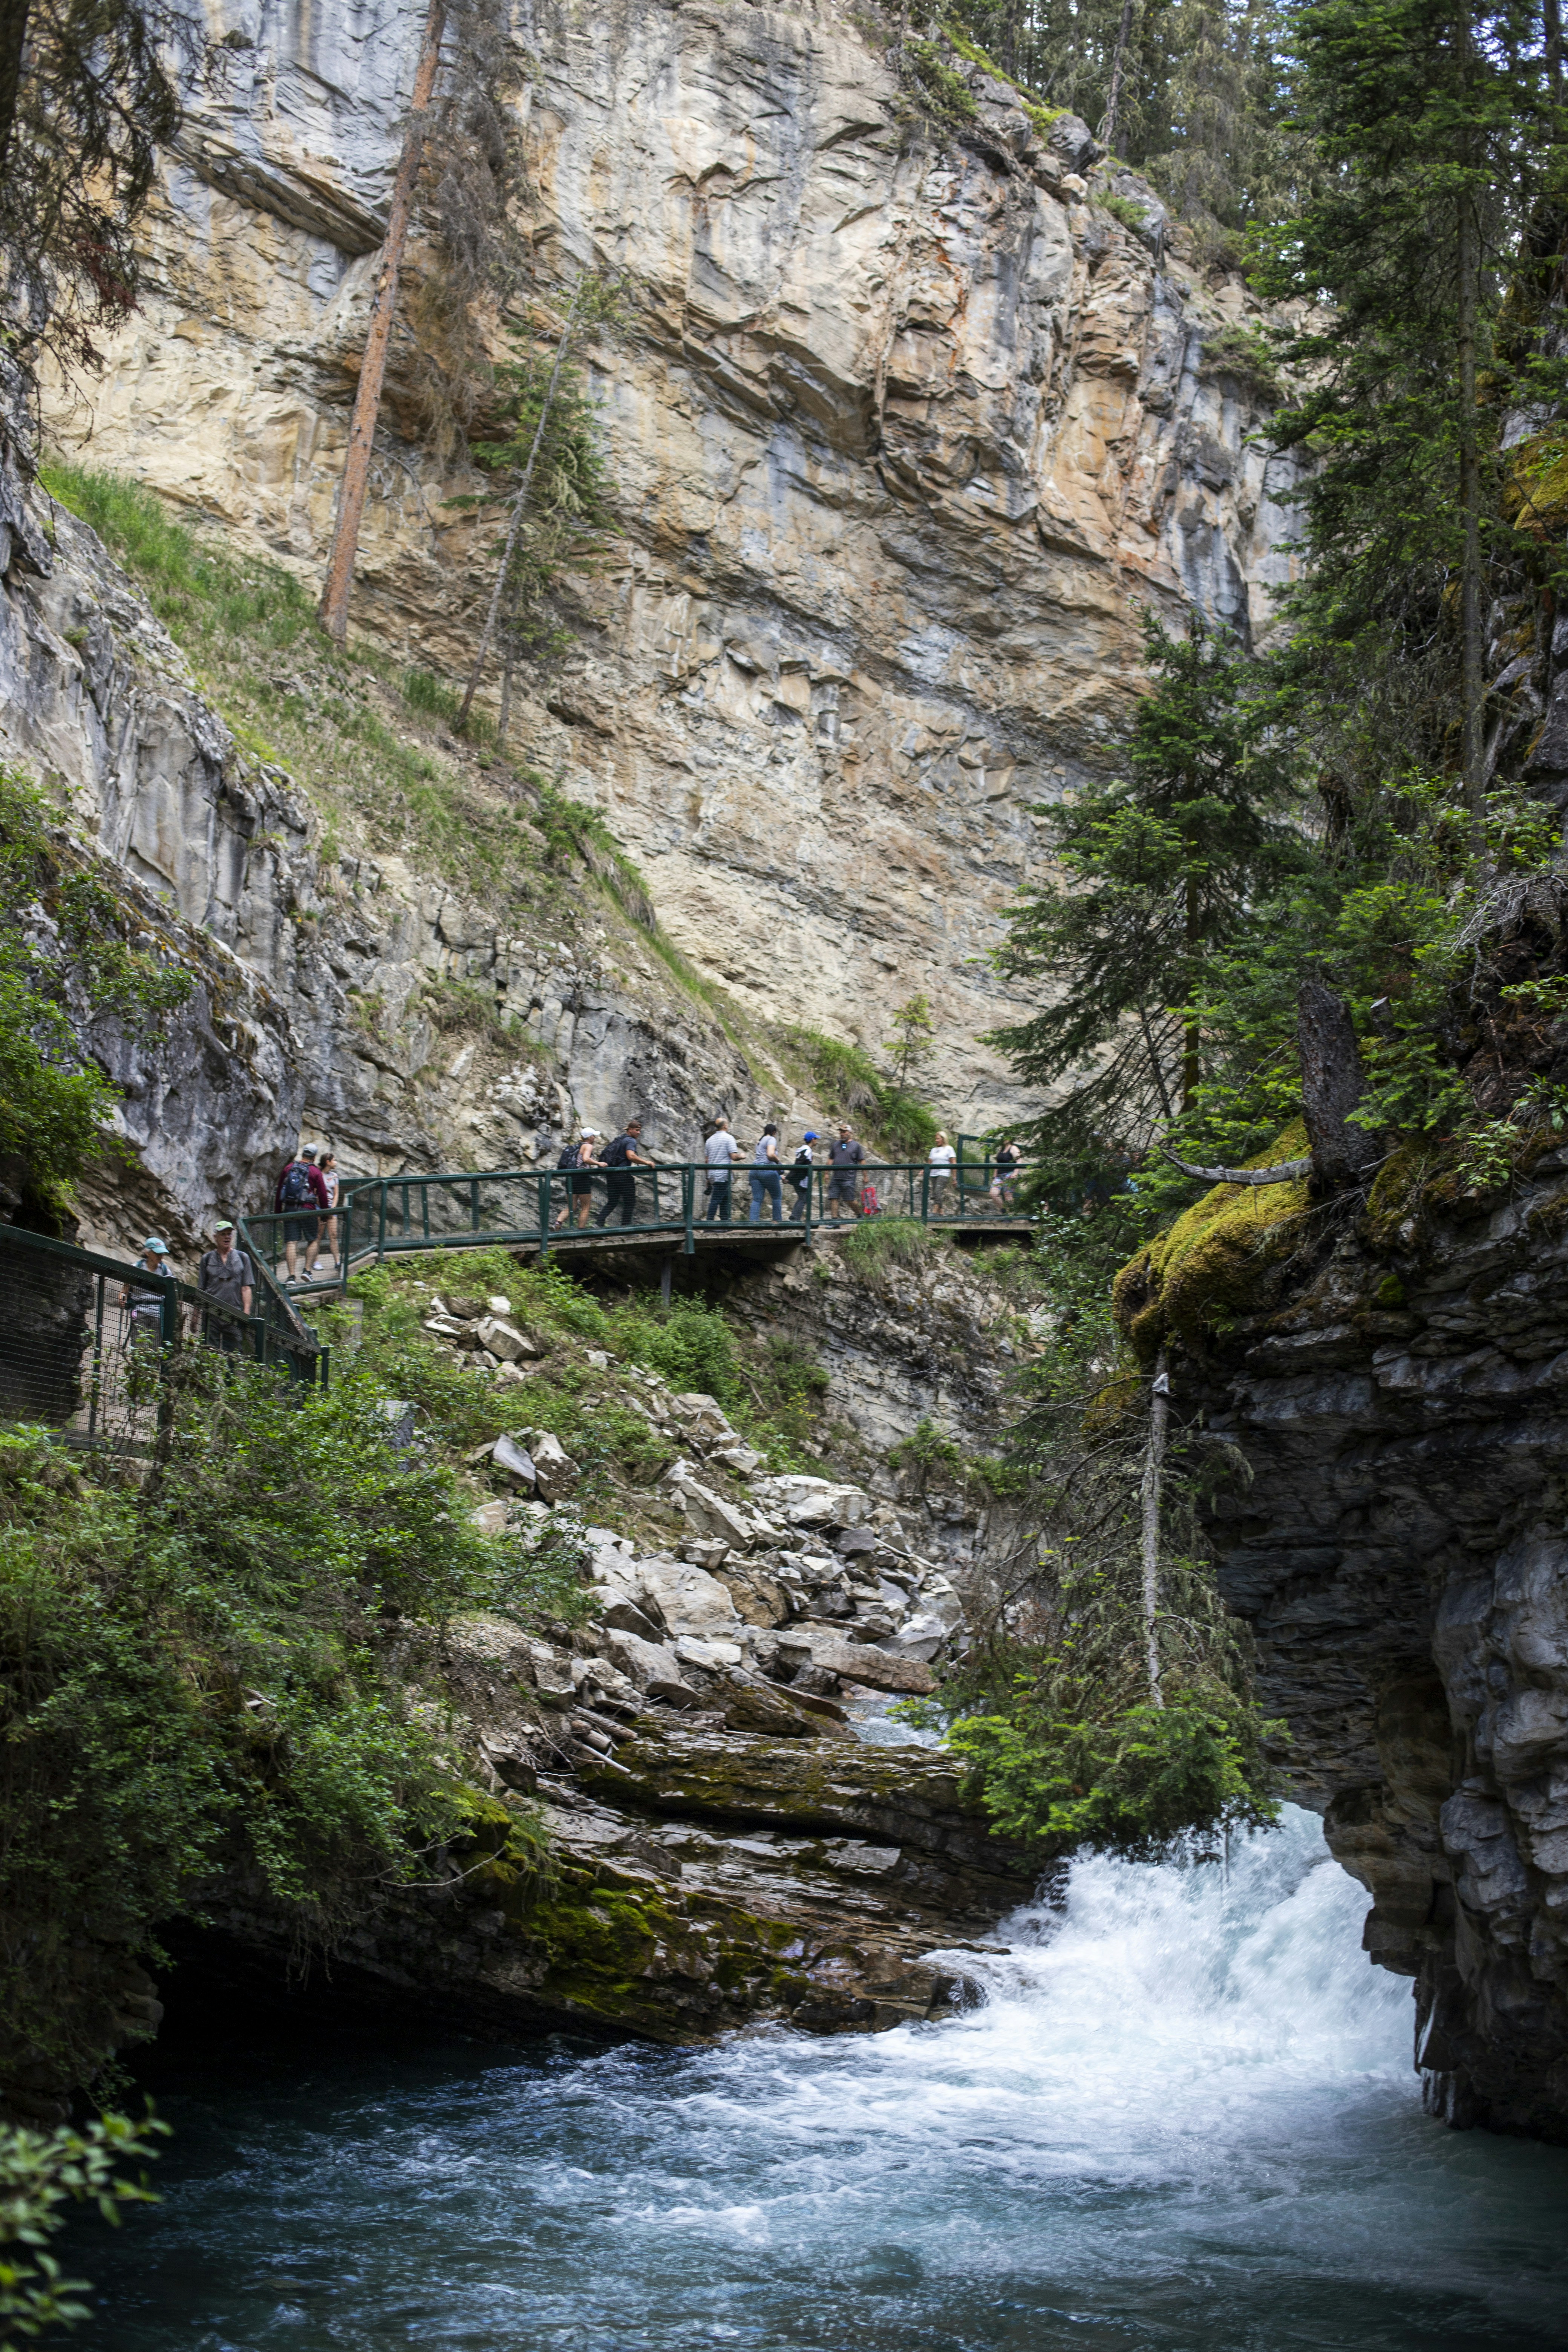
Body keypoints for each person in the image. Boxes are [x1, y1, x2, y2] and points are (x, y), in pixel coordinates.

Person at [195, 1219, 254, 1353]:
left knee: (233, 1354)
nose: (227, 1237)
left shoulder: (243, 1257)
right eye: (223, 1234)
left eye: (229, 1234)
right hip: (211, 1314)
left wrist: (246, 1314)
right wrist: (195, 1316)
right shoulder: (207, 1259)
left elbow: (246, 1287)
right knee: (209, 1352)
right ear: (215, 1237)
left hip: (234, 1314)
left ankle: (230, 1374)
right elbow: (201, 1289)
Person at [274, 1145, 329, 1279]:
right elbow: (322, 1194)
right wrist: (325, 1214)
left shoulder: (289, 1168)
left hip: (290, 1209)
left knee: (292, 1243)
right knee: (313, 1240)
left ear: (303, 1154)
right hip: (308, 1210)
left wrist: (278, 1212)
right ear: (314, 1157)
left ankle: (291, 1277)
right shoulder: (315, 1172)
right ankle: (307, 1271)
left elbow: (280, 1190)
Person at [595, 1120, 655, 1227]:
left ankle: (599, 1223)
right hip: (623, 1175)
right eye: (637, 1130)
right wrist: (646, 1162)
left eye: (640, 1130)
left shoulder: (619, 1139)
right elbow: (631, 1156)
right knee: (630, 1202)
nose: (639, 1133)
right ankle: (626, 1228)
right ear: (630, 1130)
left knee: (613, 1201)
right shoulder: (631, 1141)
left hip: (611, 1175)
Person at [120, 1237, 171, 1345]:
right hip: (139, 1312)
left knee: (155, 1351)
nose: (160, 1256)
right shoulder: (136, 1268)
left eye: (162, 1253)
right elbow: (124, 1291)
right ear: (148, 1253)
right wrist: (122, 1299)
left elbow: (171, 1294)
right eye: (157, 1253)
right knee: (138, 1349)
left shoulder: (166, 1272)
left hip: (158, 1314)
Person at [825, 1124, 865, 1222]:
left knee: (849, 1200)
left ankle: (860, 1215)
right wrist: (826, 1173)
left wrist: (866, 1176)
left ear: (850, 1133)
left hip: (849, 1178)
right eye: (841, 1132)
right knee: (833, 1198)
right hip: (836, 1177)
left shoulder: (856, 1146)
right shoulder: (836, 1145)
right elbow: (831, 1159)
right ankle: (835, 1221)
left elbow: (862, 1161)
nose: (842, 1134)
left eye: (844, 1132)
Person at [704, 1116, 740, 1223]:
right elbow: (734, 1157)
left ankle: (725, 1223)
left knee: (724, 1199)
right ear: (725, 1126)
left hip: (713, 1175)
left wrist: (708, 1178)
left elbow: (707, 1161)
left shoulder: (709, 1140)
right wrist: (742, 1156)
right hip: (723, 1174)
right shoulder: (729, 1138)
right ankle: (709, 1224)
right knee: (716, 1200)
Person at [749, 1123, 784, 1225]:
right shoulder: (772, 1139)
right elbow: (770, 1154)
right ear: (774, 1133)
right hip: (767, 1171)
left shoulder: (760, 1141)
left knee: (757, 1199)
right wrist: (778, 1160)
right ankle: (777, 1222)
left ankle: (753, 1223)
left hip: (754, 1171)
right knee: (777, 1197)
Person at [317, 1150, 341, 1269]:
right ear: (328, 1162)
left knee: (333, 1235)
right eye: (334, 1160)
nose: (336, 1162)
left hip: (331, 1209)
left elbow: (336, 1194)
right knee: (318, 1235)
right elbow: (315, 1193)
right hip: (319, 1209)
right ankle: (315, 1261)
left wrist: (333, 1208)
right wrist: (323, 1209)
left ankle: (338, 1261)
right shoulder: (317, 1175)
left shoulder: (334, 1176)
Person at [787, 1131, 818, 1224]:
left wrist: (790, 1177)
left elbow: (799, 1163)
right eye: (816, 1139)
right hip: (802, 1180)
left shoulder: (803, 1150)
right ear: (813, 1140)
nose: (817, 1141)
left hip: (799, 1179)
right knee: (803, 1199)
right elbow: (799, 1164)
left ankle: (794, 1217)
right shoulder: (808, 1151)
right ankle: (795, 1219)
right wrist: (789, 1177)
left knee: (803, 1198)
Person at [927, 1130, 957, 1214]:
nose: (936, 1140)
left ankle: (934, 1211)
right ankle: (941, 1212)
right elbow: (929, 1162)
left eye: (938, 1139)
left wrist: (954, 1178)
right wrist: (923, 1170)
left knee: (937, 1192)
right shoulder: (933, 1150)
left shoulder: (949, 1149)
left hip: (944, 1174)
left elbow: (954, 1164)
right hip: (933, 1174)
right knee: (935, 1194)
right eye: (936, 1139)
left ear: (943, 1139)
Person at [991, 1137, 1022, 1210]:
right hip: (999, 1176)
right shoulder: (1001, 1149)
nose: (1005, 1139)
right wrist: (994, 1176)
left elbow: (1019, 1161)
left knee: (1008, 1195)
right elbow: (998, 1164)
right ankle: (1005, 1212)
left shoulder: (1013, 1148)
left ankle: (1011, 1216)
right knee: (993, 1194)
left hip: (1010, 1174)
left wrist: (1016, 1173)